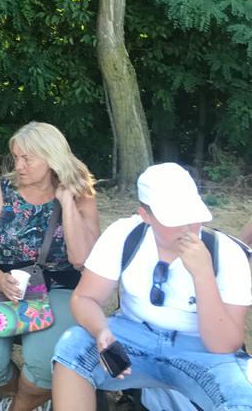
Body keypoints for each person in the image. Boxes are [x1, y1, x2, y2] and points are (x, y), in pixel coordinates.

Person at [51, 163, 252, 411]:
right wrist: (100, 330)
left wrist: (203, 275)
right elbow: (85, 298)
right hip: (134, 336)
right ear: (145, 216)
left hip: (200, 350)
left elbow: (224, 346)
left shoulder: (227, 252)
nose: (187, 227)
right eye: (174, 220)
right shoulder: (125, 234)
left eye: (193, 215)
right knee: (73, 347)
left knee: (243, 399)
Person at [0, 121, 99, 411]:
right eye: (16, 157)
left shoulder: (80, 195)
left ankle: (19, 405)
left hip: (58, 284)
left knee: (47, 363)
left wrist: (67, 203)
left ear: (52, 159)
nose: (19, 166)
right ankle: (27, 398)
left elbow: (82, 260)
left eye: (27, 158)